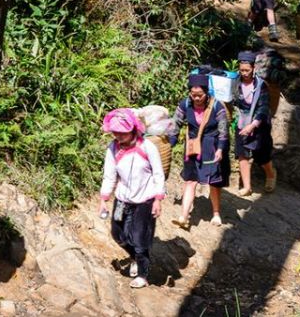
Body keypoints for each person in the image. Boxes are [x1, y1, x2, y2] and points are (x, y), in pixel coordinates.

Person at [98, 108, 165, 289]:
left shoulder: (147, 147)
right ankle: (135, 257)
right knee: (117, 233)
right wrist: (104, 198)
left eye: (122, 132)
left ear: (133, 129)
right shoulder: (113, 148)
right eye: (115, 132)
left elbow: (158, 174)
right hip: (122, 200)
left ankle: (143, 274)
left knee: (139, 237)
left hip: (145, 200)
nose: (118, 136)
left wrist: (158, 199)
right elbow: (110, 175)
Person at [168, 73, 230, 229]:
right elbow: (176, 123)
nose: (196, 98)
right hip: (192, 147)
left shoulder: (217, 106)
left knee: (213, 182)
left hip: (211, 147)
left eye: (200, 95)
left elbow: (223, 130)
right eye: (193, 95)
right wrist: (171, 142)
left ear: (206, 92)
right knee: (190, 180)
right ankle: (184, 216)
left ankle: (216, 213)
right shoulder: (185, 104)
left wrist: (221, 149)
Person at [233, 51, 276, 196]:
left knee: (261, 155)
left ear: (254, 69)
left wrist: (253, 125)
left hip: (259, 124)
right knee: (242, 154)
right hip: (241, 121)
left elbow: (263, 108)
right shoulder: (235, 83)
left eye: (247, 70)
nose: (244, 73)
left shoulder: (261, 86)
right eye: (242, 70)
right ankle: (247, 186)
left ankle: (270, 175)